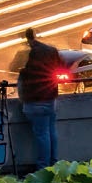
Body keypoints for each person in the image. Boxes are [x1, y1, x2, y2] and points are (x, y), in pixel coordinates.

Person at [13, 27, 61, 170]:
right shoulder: (50, 51)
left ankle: (43, 168)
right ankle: (54, 164)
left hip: (34, 100)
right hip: (50, 97)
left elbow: (16, 69)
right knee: (51, 131)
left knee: (42, 135)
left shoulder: (27, 55)